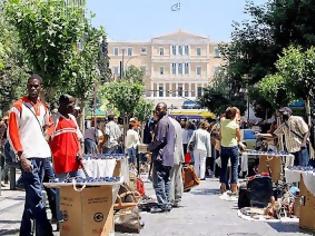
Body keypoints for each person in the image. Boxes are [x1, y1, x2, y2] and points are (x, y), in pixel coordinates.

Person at [7, 74, 53, 236]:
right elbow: (12, 133)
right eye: (30, 86)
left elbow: (50, 124)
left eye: (36, 86)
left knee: (32, 200)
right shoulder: (18, 106)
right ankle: (46, 232)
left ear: (41, 87)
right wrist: (22, 156)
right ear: (27, 86)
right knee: (37, 196)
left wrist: (47, 134)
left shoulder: (44, 107)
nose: (33, 88)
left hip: (43, 156)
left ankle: (25, 233)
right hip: (28, 157)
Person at [149, 102, 175, 213]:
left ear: (165, 109)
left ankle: (162, 204)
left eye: (159, 109)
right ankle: (167, 203)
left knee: (159, 181)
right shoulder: (169, 122)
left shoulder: (162, 122)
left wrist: (150, 147)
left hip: (161, 155)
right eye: (157, 109)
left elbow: (159, 140)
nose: (158, 111)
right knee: (166, 180)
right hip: (168, 155)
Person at [49, 94, 83, 179]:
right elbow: (48, 138)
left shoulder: (72, 118)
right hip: (60, 162)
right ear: (62, 104)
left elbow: (79, 138)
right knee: (62, 188)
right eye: (71, 105)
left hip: (75, 160)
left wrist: (81, 152)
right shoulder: (54, 118)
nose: (73, 107)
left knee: (79, 186)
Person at [219, 107, 244, 194]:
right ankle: (234, 187)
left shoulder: (222, 122)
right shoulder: (235, 125)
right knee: (234, 167)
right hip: (233, 146)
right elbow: (239, 137)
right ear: (234, 115)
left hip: (223, 146)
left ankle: (223, 186)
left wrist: (228, 110)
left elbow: (222, 116)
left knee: (224, 167)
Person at [169, 117, 184, 207]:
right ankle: (177, 197)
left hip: (172, 154)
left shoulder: (168, 124)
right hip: (178, 153)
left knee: (171, 177)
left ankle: (170, 199)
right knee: (177, 176)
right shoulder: (176, 123)